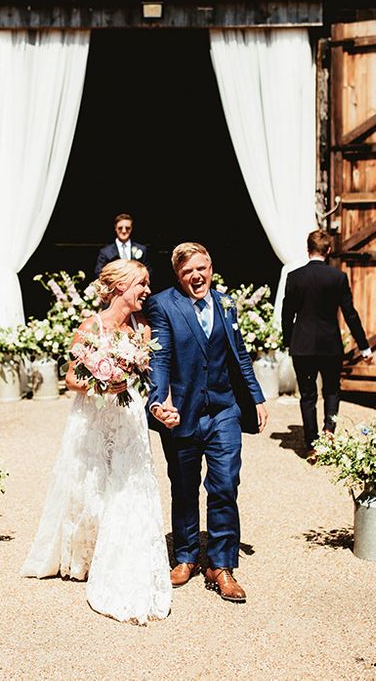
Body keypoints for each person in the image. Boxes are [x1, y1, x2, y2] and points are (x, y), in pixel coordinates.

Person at [21, 259, 172, 624]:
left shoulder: (143, 328)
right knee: (89, 483)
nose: (147, 291)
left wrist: (156, 399)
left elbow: (152, 376)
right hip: (93, 415)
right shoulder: (90, 327)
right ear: (120, 286)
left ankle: (121, 551)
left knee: (127, 482)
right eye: (142, 284)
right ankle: (84, 557)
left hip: (128, 414)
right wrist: (102, 382)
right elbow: (71, 378)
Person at [145, 242, 267, 604]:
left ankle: (221, 564)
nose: (196, 276)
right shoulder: (164, 304)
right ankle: (185, 557)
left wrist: (257, 396)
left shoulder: (226, 302)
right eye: (187, 272)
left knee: (226, 482)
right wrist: (158, 399)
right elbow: (160, 356)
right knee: (183, 487)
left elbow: (239, 352)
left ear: (211, 267)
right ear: (178, 276)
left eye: (201, 268)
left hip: (224, 409)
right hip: (182, 411)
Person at [281, 230, 373, 460]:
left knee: (307, 395)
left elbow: (286, 315)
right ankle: (328, 435)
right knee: (332, 391)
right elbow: (350, 314)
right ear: (329, 250)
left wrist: (289, 341)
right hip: (329, 345)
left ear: (307, 249)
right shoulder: (337, 277)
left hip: (302, 345)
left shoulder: (294, 276)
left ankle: (312, 444)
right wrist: (364, 346)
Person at [94, 213, 150, 278]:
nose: (124, 231)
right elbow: (99, 272)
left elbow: (148, 271)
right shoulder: (105, 252)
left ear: (131, 229)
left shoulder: (141, 249)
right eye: (120, 228)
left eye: (127, 228)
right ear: (115, 228)